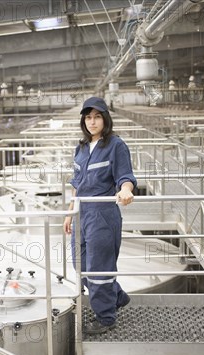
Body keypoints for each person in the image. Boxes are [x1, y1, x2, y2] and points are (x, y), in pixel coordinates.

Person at [63, 96, 137, 335]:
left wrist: (125, 190)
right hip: (81, 214)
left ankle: (106, 318)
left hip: (102, 215)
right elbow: (77, 182)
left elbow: (125, 176)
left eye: (96, 117)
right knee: (79, 264)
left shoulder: (116, 145)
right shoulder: (82, 148)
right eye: (88, 117)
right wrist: (69, 213)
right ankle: (116, 296)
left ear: (105, 119)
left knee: (98, 268)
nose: (92, 122)